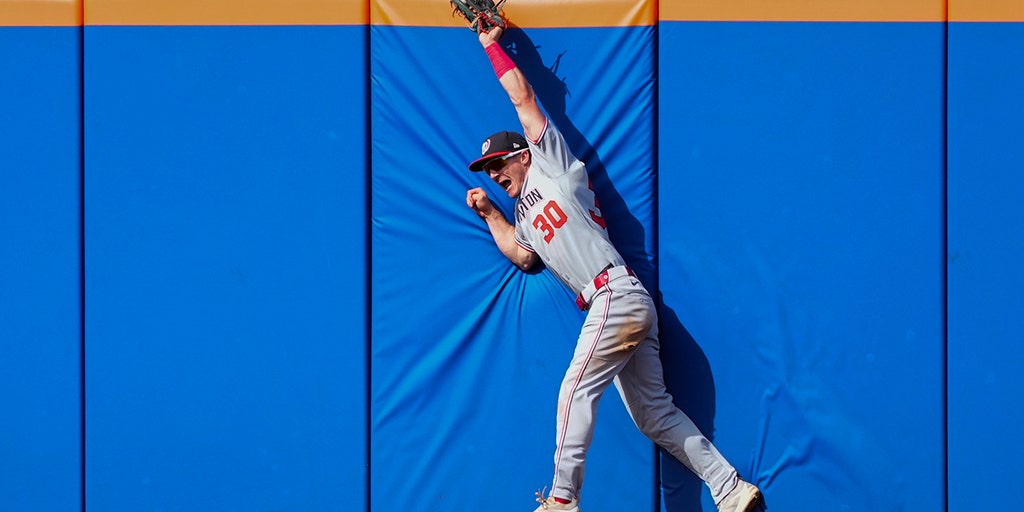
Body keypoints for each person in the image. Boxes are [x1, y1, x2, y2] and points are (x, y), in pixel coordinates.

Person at [463, 25, 764, 512]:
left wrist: (490, 45)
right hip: (616, 304)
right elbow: (523, 256)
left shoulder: (549, 163)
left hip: (614, 293)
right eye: (487, 171)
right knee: (653, 415)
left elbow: (522, 97)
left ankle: (561, 500)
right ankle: (730, 488)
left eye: (499, 164)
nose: (494, 174)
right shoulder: (522, 214)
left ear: (521, 154)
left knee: (572, 390)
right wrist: (490, 213)